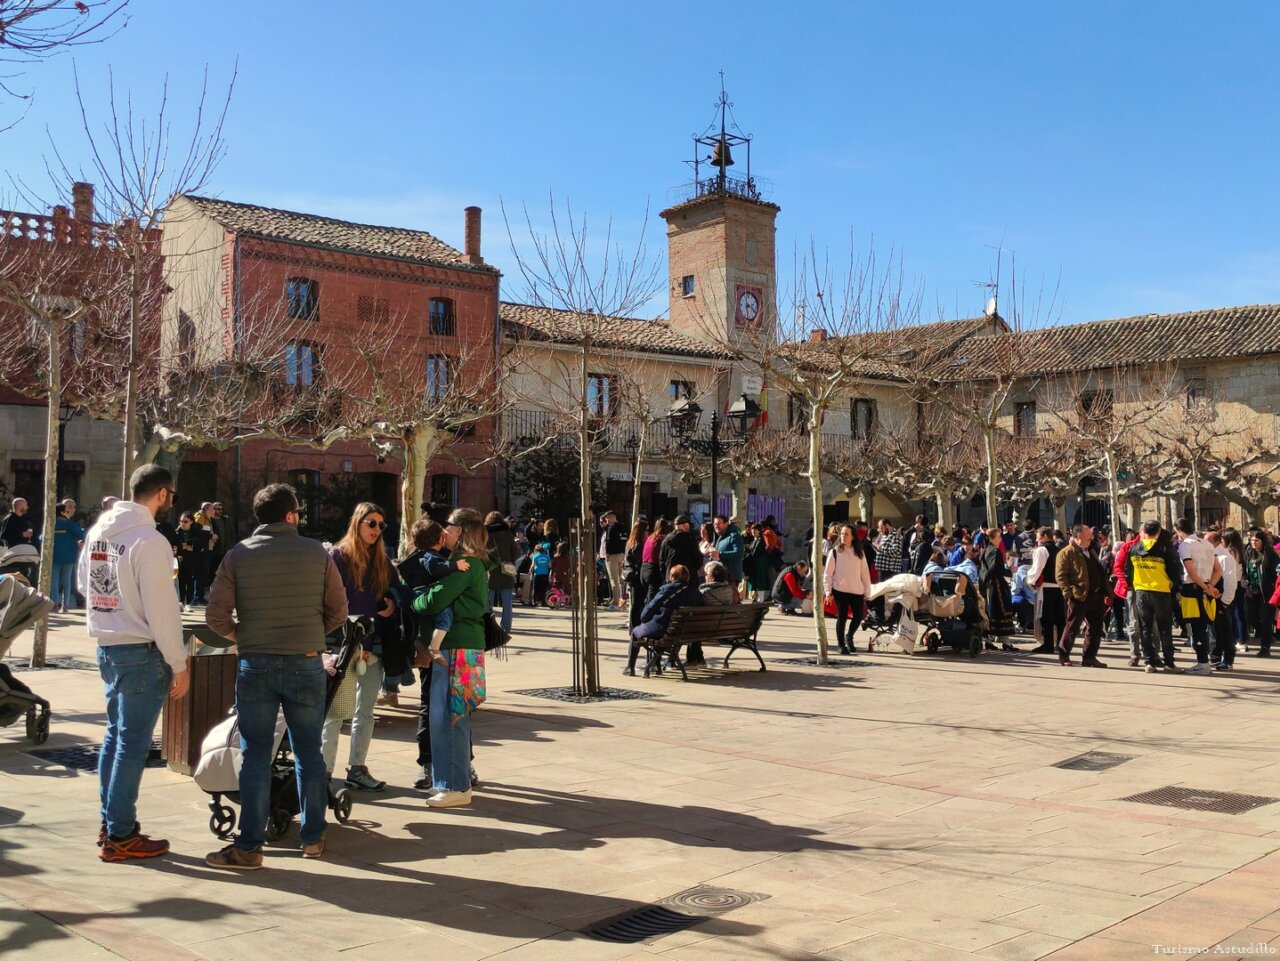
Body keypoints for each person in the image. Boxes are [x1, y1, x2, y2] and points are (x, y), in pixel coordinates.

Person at [204, 483, 347, 868]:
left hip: (256, 663)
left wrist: (244, 635)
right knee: (307, 751)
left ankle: (249, 846)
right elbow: (338, 610)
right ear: (289, 515)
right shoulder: (317, 554)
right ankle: (313, 837)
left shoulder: (237, 555)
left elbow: (215, 616)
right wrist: (311, 634)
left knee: (254, 755)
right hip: (304, 661)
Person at [80, 466, 190, 862]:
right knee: (132, 743)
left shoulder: (99, 532)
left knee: (116, 736)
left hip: (108, 646)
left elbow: (83, 586)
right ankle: (120, 832)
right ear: (162, 494)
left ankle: (112, 822)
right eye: (172, 496)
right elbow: (163, 610)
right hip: (141, 651)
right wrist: (179, 662)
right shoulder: (150, 540)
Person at [411, 508, 494, 808]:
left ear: (460, 530)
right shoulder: (467, 564)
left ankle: (456, 786)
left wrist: (415, 599)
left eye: (448, 526)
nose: (443, 531)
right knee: (448, 716)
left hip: (456, 648)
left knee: (450, 716)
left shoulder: (466, 564)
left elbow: (434, 600)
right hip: (460, 647)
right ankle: (450, 784)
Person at [317, 503, 403, 791]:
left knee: (365, 712)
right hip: (342, 645)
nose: (377, 530)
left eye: (381, 525)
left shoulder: (383, 561)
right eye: (371, 523)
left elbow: (396, 589)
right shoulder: (337, 557)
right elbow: (325, 600)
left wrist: (393, 603)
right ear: (357, 523)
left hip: (373, 645)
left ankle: (357, 768)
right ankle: (324, 772)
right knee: (334, 713)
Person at [401, 520, 470, 790]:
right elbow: (428, 601)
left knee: (454, 706)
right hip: (435, 645)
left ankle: (460, 762)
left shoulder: (454, 560)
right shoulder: (435, 560)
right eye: (450, 530)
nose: (451, 534)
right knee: (434, 703)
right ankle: (429, 764)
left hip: (453, 645)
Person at [1125, 520, 1184, 673]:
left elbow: (1127, 572)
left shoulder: (1134, 549)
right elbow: (1176, 571)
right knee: (1165, 629)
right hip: (1161, 591)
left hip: (1141, 592)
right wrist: (1176, 587)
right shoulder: (1165, 548)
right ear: (1158, 532)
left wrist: (1135, 585)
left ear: (1143, 531)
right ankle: (1169, 662)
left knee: (1145, 628)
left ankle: (1149, 661)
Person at [623, 564, 704, 675]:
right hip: (684, 632)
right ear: (687, 577)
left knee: (636, 632)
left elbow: (647, 612)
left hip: (662, 630)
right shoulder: (696, 594)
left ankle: (630, 668)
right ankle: (656, 665)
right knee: (665, 628)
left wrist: (645, 619)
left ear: (672, 577)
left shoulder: (667, 590)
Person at [1055, 524, 1110, 668]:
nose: (1091, 537)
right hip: (1079, 596)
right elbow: (1061, 576)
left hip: (1095, 596)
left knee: (1095, 627)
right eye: (1088, 535)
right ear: (1078, 536)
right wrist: (1068, 594)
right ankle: (1064, 654)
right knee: (1072, 626)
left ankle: (1089, 657)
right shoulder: (1066, 553)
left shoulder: (1090, 551)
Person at [1175, 518, 1222, 674]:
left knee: (1196, 627)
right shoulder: (1207, 544)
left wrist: (1205, 587)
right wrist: (1209, 586)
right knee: (1203, 626)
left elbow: (1190, 571)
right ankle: (1203, 661)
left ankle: (1203, 662)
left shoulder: (1185, 545)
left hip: (1192, 588)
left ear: (1179, 531)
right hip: (1206, 586)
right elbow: (1218, 570)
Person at [1207, 529, 1241, 670]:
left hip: (1222, 599)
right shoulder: (1212, 555)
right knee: (1215, 629)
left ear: (1216, 542)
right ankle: (1215, 656)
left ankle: (1228, 659)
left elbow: (1230, 581)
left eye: (1207, 541)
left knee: (1225, 630)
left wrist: (1226, 600)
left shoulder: (1225, 558)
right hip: (1213, 598)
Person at [1027, 527, 1064, 655]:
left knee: (1046, 617)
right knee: (1060, 618)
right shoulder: (1060, 550)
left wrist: (1030, 581)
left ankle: (1048, 645)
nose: (1036, 539)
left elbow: (1037, 568)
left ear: (1044, 536)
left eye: (1037, 536)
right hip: (1059, 588)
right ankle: (1062, 645)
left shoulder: (1042, 550)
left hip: (1047, 587)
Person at [1244, 531, 1278, 657]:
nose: (1254, 543)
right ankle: (1264, 636)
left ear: (1263, 541)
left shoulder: (1270, 555)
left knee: (1266, 620)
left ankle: (1265, 647)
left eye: (1257, 541)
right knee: (1251, 616)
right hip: (1252, 592)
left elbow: (1275, 575)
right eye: (1252, 540)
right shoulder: (1249, 553)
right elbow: (1246, 569)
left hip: (1266, 592)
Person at [48, 498, 85, 613]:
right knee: (67, 580)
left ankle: (54, 603)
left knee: (54, 580)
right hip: (69, 556)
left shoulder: (51, 523)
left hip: (54, 556)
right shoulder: (69, 524)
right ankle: (65, 605)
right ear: (64, 511)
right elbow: (82, 534)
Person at [170, 511, 210, 613]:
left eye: (185, 521)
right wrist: (177, 552)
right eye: (181, 521)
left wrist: (192, 547)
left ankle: (188, 603)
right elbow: (172, 545)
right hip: (181, 560)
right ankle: (181, 602)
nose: (182, 523)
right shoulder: (176, 532)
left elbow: (202, 545)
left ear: (191, 522)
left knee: (191, 582)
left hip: (193, 560)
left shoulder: (197, 532)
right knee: (181, 582)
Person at [485, 512, 516, 636]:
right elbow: (516, 551)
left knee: (488, 602)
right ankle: (506, 627)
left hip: (490, 571)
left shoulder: (485, 534)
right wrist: (510, 561)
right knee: (507, 602)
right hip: (506, 571)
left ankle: (488, 625)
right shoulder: (508, 534)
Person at [870, 519, 904, 621]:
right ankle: (880, 614)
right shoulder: (883, 536)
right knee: (880, 592)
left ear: (887, 525)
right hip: (881, 568)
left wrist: (880, 548)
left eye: (881, 527)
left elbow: (896, 551)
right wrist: (876, 547)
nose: (880, 530)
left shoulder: (896, 536)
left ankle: (894, 615)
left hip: (890, 569)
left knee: (891, 593)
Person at [659, 515, 702, 585]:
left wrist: (666, 575)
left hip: (671, 578)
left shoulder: (666, 540)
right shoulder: (690, 540)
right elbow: (698, 560)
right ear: (686, 525)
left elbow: (661, 561)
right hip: (689, 579)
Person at [710, 514, 744, 599]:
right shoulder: (721, 536)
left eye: (718, 524)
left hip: (731, 576)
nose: (716, 526)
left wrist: (720, 554)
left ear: (726, 523)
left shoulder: (734, 535)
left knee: (732, 601)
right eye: (714, 524)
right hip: (722, 575)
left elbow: (739, 553)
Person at [622, 519, 649, 630]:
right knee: (637, 603)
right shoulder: (639, 545)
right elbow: (639, 562)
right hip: (637, 577)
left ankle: (634, 627)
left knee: (635, 603)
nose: (648, 532)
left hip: (631, 576)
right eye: (646, 530)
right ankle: (635, 627)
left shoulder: (630, 543)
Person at [599, 512, 627, 608]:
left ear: (610, 518)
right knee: (622, 579)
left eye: (607, 519)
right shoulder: (623, 527)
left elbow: (609, 542)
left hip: (612, 556)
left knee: (613, 580)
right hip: (622, 555)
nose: (606, 522)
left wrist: (607, 553)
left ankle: (615, 601)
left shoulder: (611, 528)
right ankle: (624, 600)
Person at [640, 519, 670, 607]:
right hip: (654, 570)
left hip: (644, 569)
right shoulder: (664, 539)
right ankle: (648, 618)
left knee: (648, 598)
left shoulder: (650, 537)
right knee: (653, 601)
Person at [743, 524, 773, 602]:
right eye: (752, 529)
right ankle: (757, 598)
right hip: (755, 563)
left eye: (755, 530)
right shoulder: (754, 540)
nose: (753, 531)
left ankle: (761, 599)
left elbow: (754, 552)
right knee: (756, 581)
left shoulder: (760, 539)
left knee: (761, 581)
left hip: (760, 563)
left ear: (759, 531)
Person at [530, 540, 552, 606]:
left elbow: (533, 566)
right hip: (544, 574)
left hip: (537, 574)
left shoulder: (535, 557)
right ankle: (544, 602)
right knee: (544, 589)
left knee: (535, 588)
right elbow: (550, 566)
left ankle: (534, 602)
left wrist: (530, 571)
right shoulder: (547, 557)